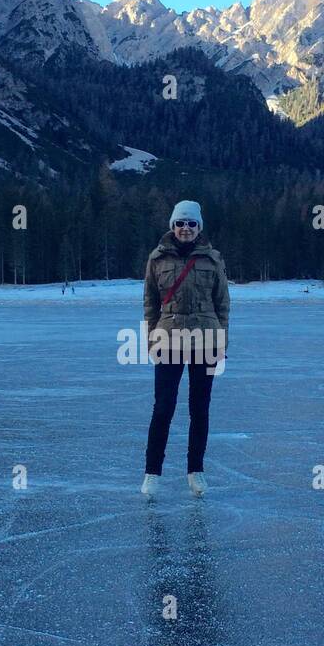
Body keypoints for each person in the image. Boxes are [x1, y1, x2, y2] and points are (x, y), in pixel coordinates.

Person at [140, 201, 229, 498]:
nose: (186, 229)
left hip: (205, 341)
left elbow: (222, 305)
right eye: (181, 223)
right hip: (169, 339)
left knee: (199, 409)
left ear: (199, 227)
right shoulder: (156, 259)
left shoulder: (213, 260)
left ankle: (196, 472)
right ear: (172, 226)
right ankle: (152, 474)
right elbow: (151, 303)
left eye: (192, 224)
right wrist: (151, 338)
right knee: (163, 408)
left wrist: (222, 342)